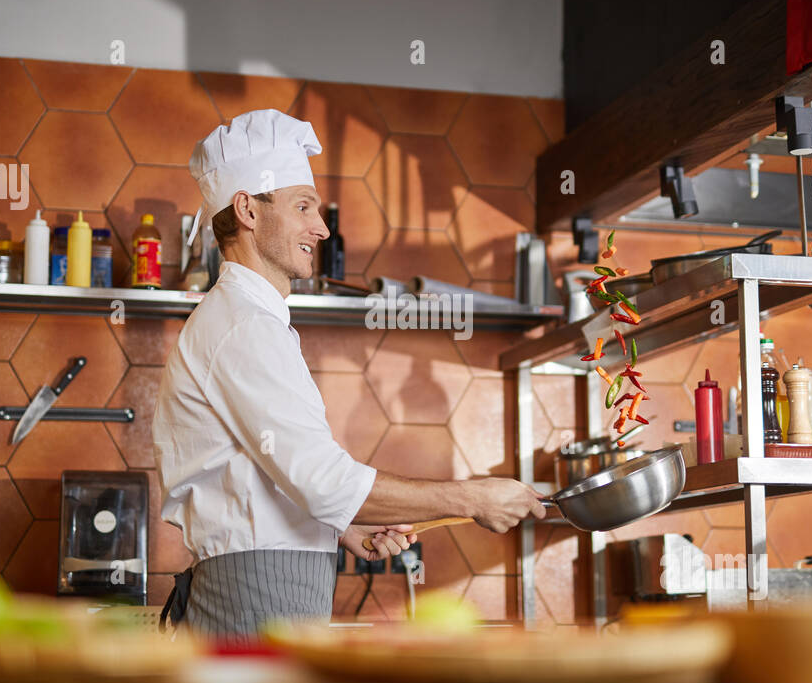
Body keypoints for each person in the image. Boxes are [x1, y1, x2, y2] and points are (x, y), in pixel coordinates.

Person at [153, 109, 544, 639]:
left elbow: (267, 480)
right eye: (304, 206)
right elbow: (321, 479)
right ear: (247, 209)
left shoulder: (247, 320)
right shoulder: (242, 325)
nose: (322, 227)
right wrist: (471, 498)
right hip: (252, 600)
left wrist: (341, 526)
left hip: (265, 589)